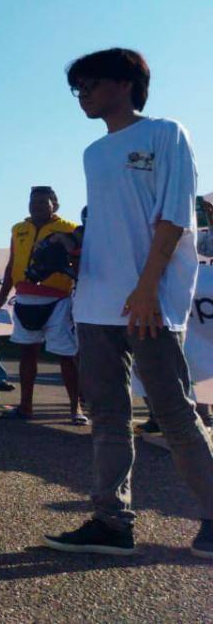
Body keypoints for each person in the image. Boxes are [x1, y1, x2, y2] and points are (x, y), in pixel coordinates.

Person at [44, 48, 213, 559]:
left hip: (150, 301)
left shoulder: (166, 132)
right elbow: (112, 224)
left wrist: (146, 289)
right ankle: (111, 522)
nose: (83, 96)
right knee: (108, 415)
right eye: (77, 89)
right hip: (96, 304)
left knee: (174, 412)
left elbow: (175, 217)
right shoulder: (94, 153)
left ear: (125, 82)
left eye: (90, 84)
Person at [0, 187, 85, 424]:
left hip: (58, 300)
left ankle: (77, 409)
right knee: (27, 353)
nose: (37, 207)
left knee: (67, 355)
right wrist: (2, 298)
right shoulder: (18, 229)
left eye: (43, 202)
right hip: (24, 299)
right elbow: (12, 265)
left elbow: (80, 264)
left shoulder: (70, 229)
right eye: (33, 202)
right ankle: (26, 407)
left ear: (55, 205)